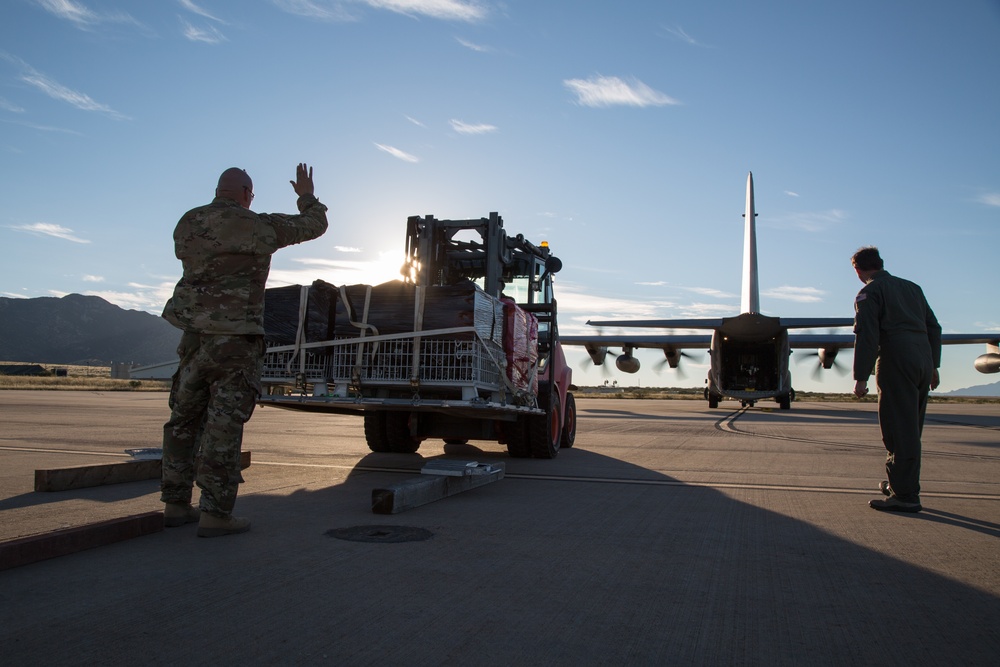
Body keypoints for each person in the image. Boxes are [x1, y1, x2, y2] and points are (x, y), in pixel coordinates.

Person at [160, 163, 329, 537]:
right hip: (234, 341)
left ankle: (174, 503)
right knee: (224, 424)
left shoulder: (188, 223)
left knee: (183, 419)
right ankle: (216, 514)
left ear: (219, 190)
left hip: (193, 337)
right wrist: (306, 196)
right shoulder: (255, 225)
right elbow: (314, 225)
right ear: (246, 194)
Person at [851, 246, 941, 513]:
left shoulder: (869, 293)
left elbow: (867, 335)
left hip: (896, 360)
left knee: (898, 428)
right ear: (880, 263)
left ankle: (905, 495)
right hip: (922, 360)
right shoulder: (912, 288)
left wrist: (860, 377)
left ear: (858, 270)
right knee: (912, 426)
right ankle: (900, 484)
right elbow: (934, 327)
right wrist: (934, 366)